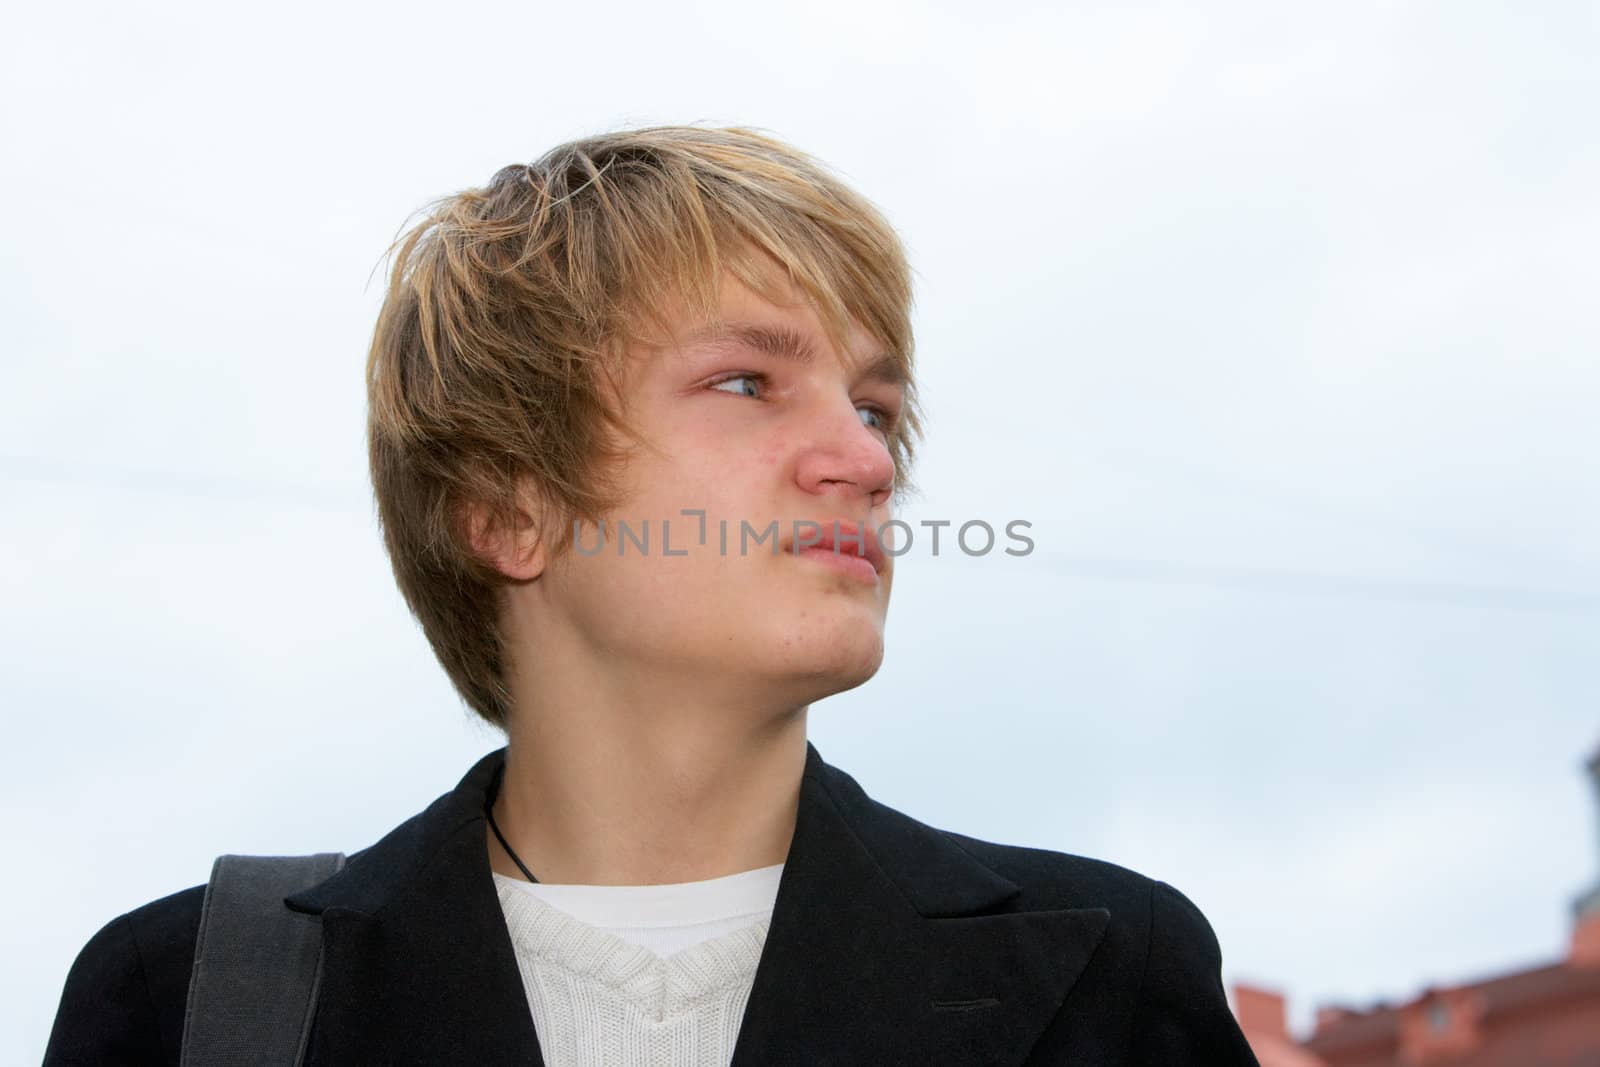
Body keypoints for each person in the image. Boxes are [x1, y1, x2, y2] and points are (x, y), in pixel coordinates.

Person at [43, 126, 1259, 1065]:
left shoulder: (1116, 972)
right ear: (510, 509)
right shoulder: (191, 992)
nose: (868, 461)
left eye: (876, 408)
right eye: (746, 382)